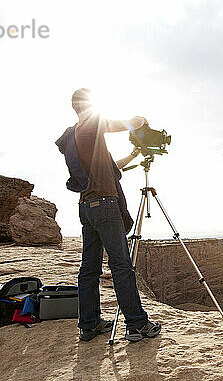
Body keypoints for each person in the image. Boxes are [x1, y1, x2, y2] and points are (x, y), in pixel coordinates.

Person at [56, 88, 161, 342]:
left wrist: (135, 154)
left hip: (87, 206)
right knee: (121, 266)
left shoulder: (75, 136)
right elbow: (117, 124)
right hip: (104, 205)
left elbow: (114, 167)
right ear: (86, 106)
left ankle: (89, 324)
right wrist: (138, 121)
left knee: (89, 269)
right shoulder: (89, 126)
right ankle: (137, 324)